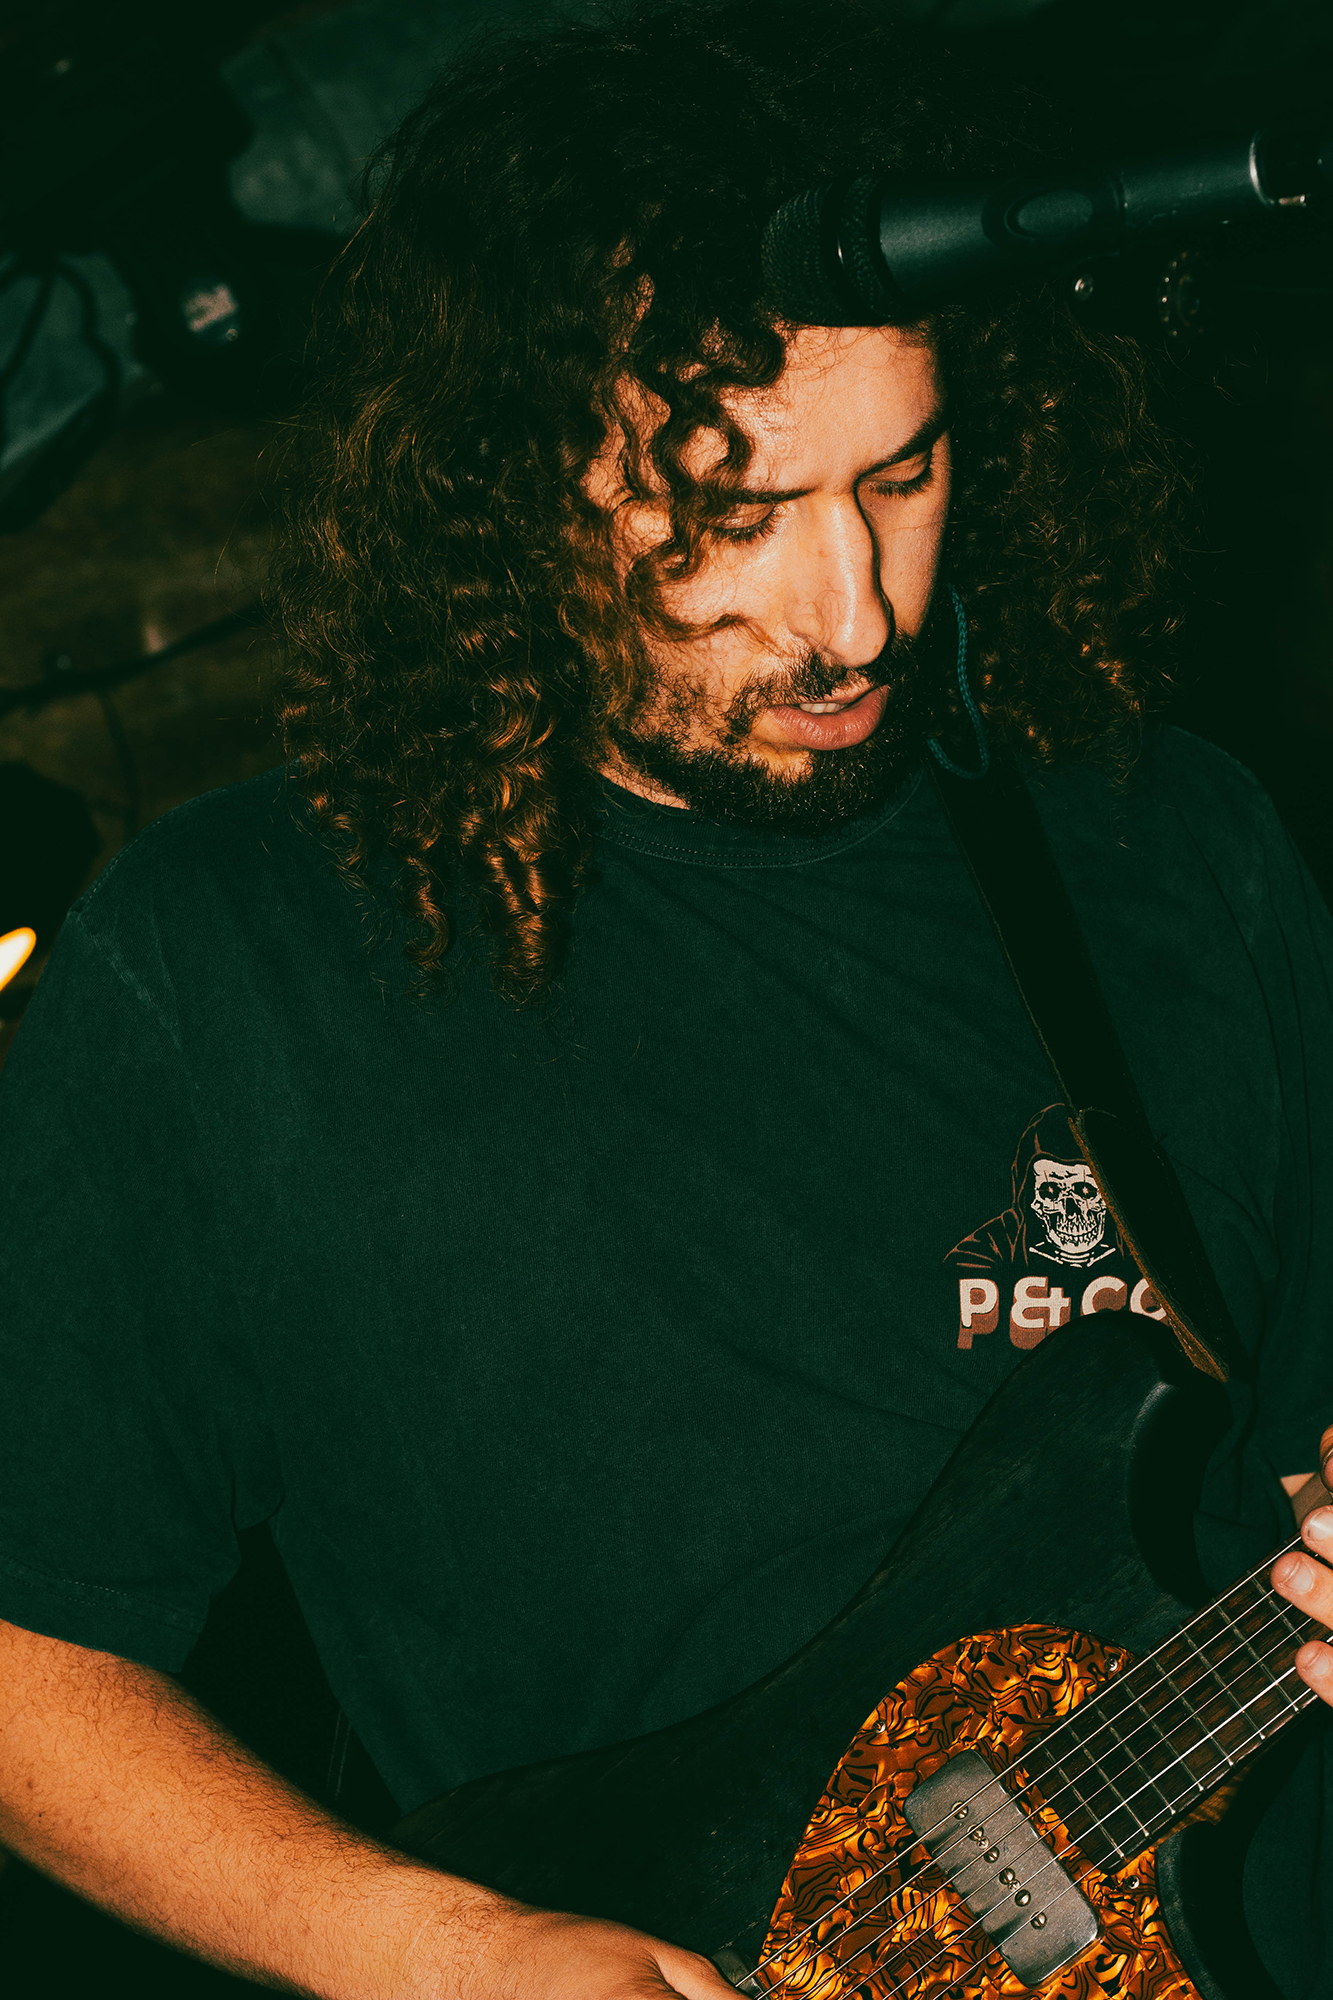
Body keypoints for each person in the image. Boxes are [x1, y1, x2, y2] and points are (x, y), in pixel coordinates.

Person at [1, 4, 1331, 1995]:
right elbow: (24, 1644)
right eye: (729, 515)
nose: (853, 612)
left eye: (901, 474)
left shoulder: (1168, 848)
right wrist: (442, 1954)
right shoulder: (225, 967)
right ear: (512, 486)